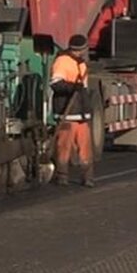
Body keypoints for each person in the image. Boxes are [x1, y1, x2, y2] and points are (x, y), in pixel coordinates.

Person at [51, 34, 95, 187]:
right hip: (67, 113)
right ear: (81, 49)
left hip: (81, 113)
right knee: (64, 146)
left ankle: (87, 177)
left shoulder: (81, 64)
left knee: (85, 148)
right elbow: (56, 84)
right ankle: (62, 175)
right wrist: (72, 87)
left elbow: (83, 89)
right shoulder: (62, 61)